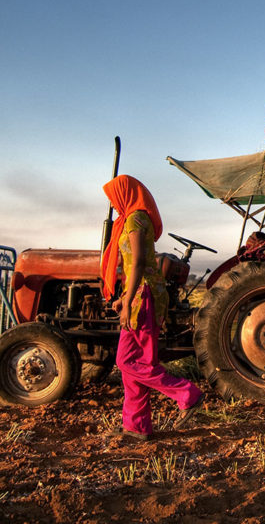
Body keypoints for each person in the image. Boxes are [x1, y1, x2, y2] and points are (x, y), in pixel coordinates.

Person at [100, 175, 204, 442]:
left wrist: (129, 300)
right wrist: (123, 297)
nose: (112, 204)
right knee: (136, 364)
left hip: (144, 296)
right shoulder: (133, 218)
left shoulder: (136, 218)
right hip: (140, 293)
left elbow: (137, 264)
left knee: (125, 361)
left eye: (113, 197)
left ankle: (186, 393)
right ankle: (137, 426)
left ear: (125, 193)